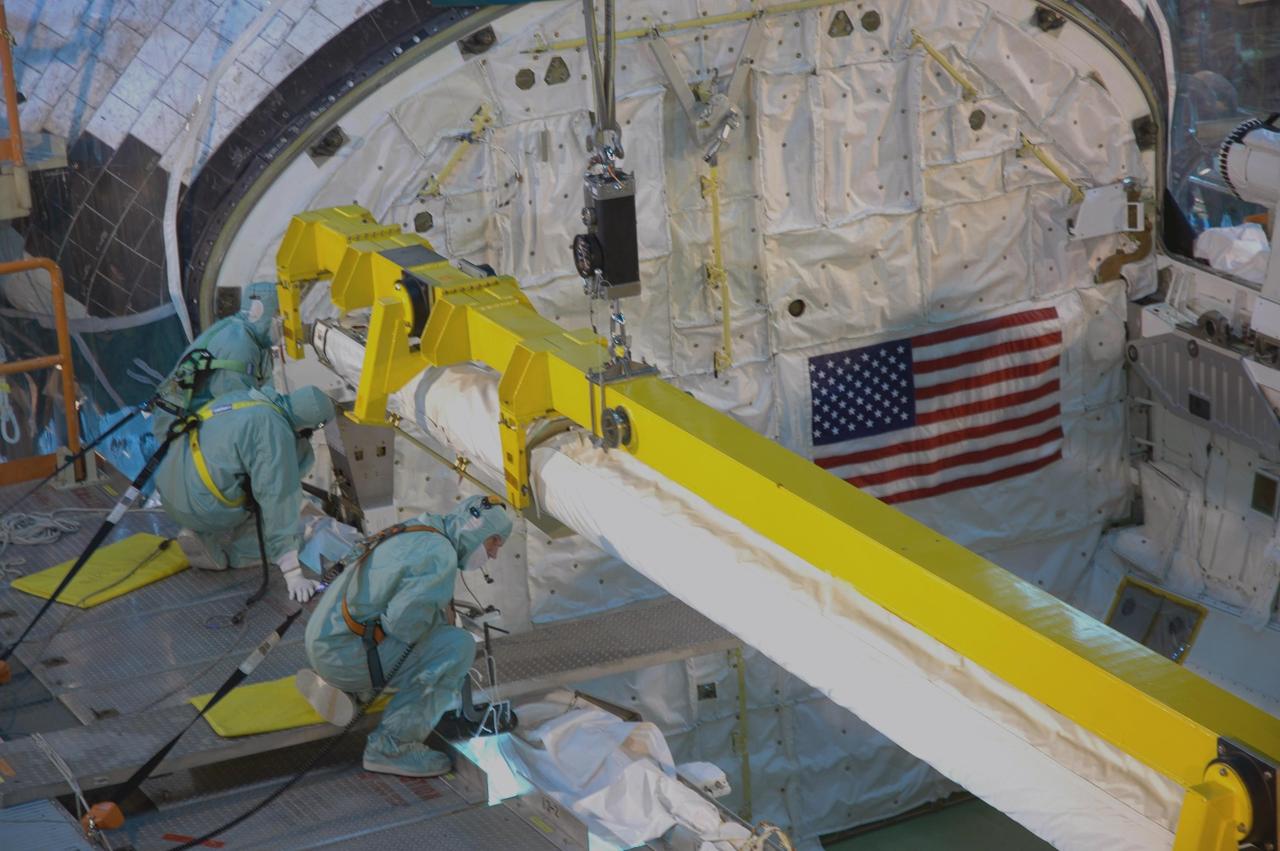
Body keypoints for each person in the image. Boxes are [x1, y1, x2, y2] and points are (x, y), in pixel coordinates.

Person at [297, 495, 514, 777]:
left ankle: (355, 691)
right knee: (456, 648)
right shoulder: (440, 556)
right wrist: (445, 628)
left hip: (325, 639)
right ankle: (392, 746)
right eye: (494, 542)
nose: (495, 554)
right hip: (344, 657)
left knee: (425, 631)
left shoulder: (421, 528)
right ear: (477, 530)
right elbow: (404, 626)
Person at [153, 385, 336, 602]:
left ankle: (201, 532)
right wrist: (292, 572)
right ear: (309, 424)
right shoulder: (272, 426)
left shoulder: (243, 397)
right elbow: (276, 496)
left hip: (169, 492)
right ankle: (238, 553)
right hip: (202, 506)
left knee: (228, 472)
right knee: (265, 502)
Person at [151, 282, 280, 439]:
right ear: (259, 312)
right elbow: (241, 410)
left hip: (185, 425)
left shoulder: (233, 328)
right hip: (183, 434)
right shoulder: (240, 346)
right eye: (277, 314)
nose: (282, 321)